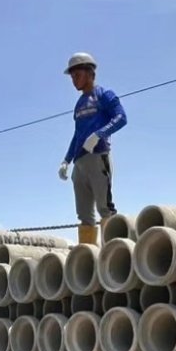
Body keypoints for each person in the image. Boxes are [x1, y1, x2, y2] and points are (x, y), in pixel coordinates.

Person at [58, 52, 127, 245]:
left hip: (98, 157)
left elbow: (121, 118)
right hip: (79, 163)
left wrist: (99, 135)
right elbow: (77, 134)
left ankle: (113, 253)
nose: (74, 80)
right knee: (84, 215)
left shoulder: (104, 95)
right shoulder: (79, 104)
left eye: (77, 75)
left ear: (89, 73)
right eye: (72, 77)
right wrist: (66, 160)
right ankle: (87, 256)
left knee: (105, 208)